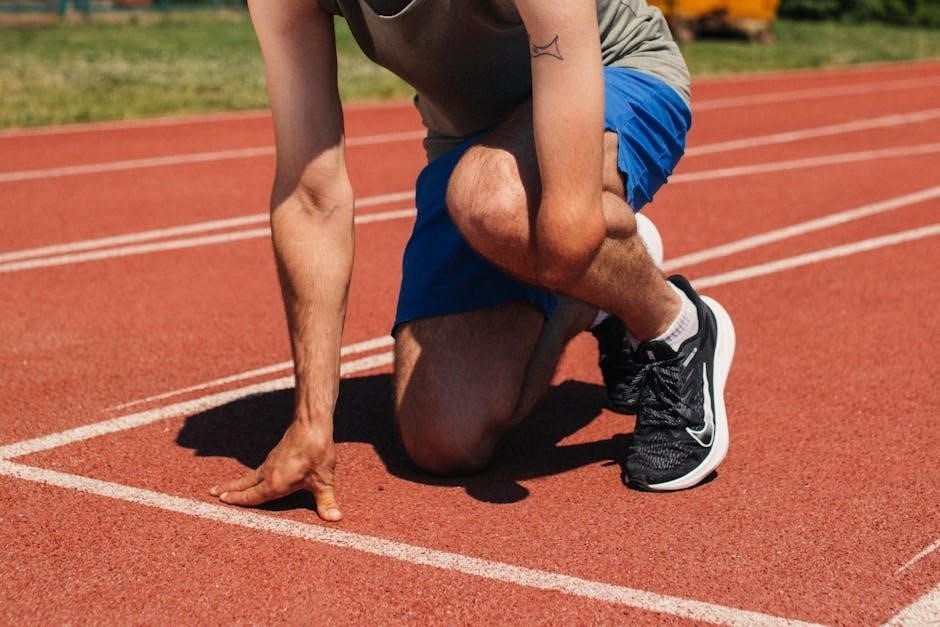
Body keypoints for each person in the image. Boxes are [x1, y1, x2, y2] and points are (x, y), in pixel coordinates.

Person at [209, 0, 736, 522]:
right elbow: (310, 195)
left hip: (613, 70)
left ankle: (675, 326)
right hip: (471, 141)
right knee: (445, 440)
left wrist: (570, 253)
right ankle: (597, 300)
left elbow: (567, 228)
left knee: (505, 208)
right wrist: (311, 422)